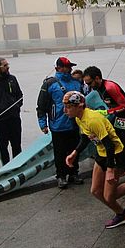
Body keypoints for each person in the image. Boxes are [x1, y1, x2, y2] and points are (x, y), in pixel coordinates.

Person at [62, 91, 125, 228]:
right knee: (95, 191)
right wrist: (75, 153)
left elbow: (110, 145)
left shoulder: (93, 120)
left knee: (109, 197)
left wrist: (111, 169)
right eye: (65, 106)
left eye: (68, 107)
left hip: (115, 155)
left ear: (79, 106)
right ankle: (122, 214)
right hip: (102, 154)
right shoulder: (79, 118)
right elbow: (86, 137)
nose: (65, 110)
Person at [37, 57, 85, 189]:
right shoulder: (49, 84)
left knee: (75, 150)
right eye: (66, 66)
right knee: (59, 152)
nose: (69, 69)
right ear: (58, 68)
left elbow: (84, 100)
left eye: (70, 66)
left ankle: (74, 173)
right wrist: (43, 124)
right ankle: (61, 176)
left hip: (75, 123)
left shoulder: (76, 82)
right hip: (58, 125)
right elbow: (41, 106)